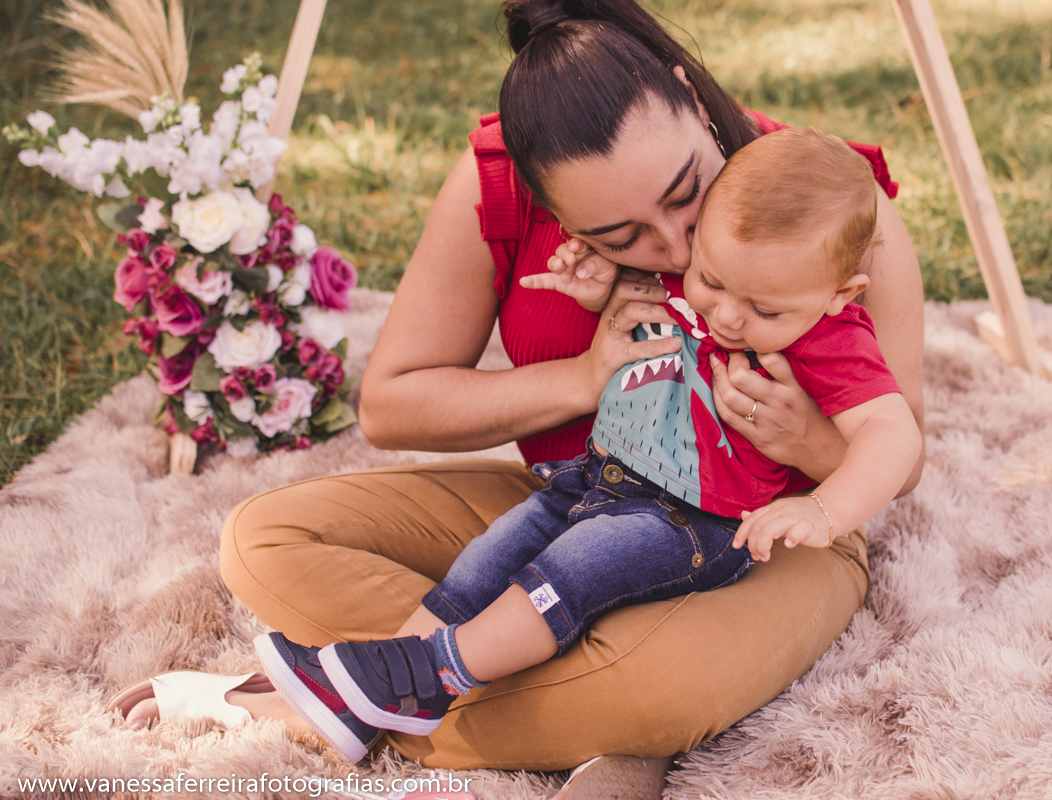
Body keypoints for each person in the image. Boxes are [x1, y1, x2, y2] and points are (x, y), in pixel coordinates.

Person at [108, 0, 926, 795]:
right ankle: (565, 710)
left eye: (686, 196)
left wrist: (801, 442)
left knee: (657, 679)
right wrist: (582, 374)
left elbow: (900, 448)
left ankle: (322, 701)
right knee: (264, 539)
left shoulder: (822, 209)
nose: (677, 252)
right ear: (553, 210)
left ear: (690, 96)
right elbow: (392, 407)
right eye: (621, 234)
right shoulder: (499, 188)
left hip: (762, 536)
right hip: (587, 495)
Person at [253, 126, 924, 758]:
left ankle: (439, 670)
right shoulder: (705, 265)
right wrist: (596, 287)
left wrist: (825, 509)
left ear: (842, 294)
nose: (725, 314)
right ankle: (372, 689)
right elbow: (644, 301)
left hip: (695, 520)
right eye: (711, 283)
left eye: (764, 311)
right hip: (595, 476)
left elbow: (893, 437)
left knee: (570, 571)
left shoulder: (833, 340)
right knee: (492, 556)